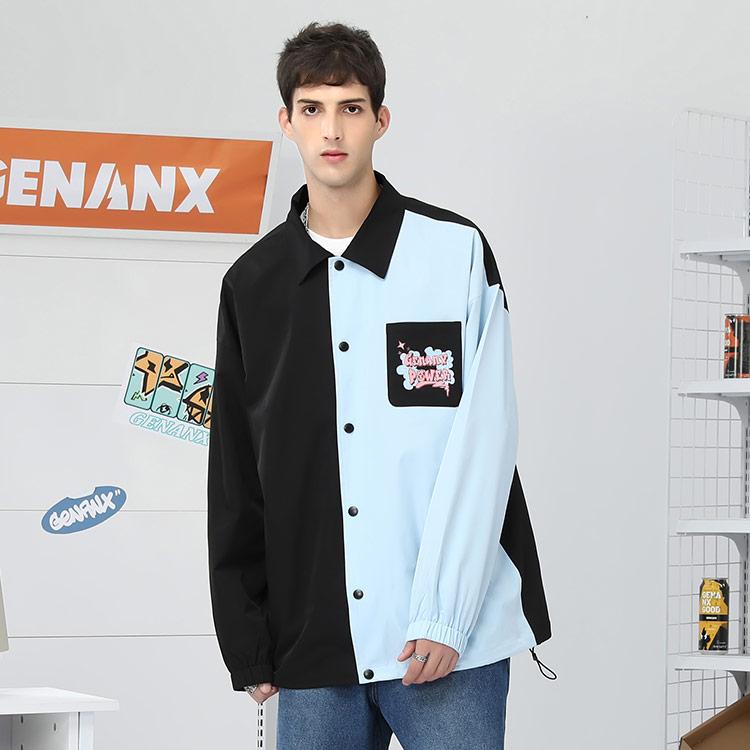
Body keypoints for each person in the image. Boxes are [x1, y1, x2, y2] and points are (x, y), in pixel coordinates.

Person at [207, 20, 555, 750]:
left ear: (380, 120)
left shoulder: (454, 253)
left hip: (449, 647)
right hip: (313, 647)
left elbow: (485, 444)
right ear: (287, 122)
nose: (332, 130)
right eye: (312, 109)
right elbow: (237, 472)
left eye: (351, 108)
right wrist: (246, 634)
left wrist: (445, 615)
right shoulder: (253, 285)